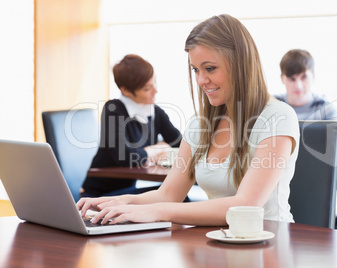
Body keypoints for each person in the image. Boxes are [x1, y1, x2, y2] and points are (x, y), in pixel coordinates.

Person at [77, 14, 300, 226]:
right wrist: (117, 202)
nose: (201, 80)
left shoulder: (277, 117)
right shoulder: (200, 125)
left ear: (240, 63)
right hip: (218, 243)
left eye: (210, 68)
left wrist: (156, 212)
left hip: (270, 244)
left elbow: (246, 205)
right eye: (195, 69)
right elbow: (169, 194)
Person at [81, 54, 182, 197]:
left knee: (178, 196)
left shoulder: (155, 112)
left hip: (124, 195)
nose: (155, 91)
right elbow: (125, 157)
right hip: (100, 195)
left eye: (155, 83)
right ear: (126, 91)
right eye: (147, 88)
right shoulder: (113, 109)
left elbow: (181, 143)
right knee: (176, 197)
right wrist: (157, 149)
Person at [275, 49, 337, 169]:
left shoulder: (328, 109)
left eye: (303, 77)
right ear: (282, 78)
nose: (298, 85)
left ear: (313, 77)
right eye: (292, 79)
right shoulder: (272, 107)